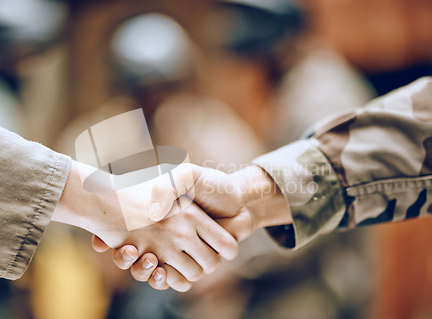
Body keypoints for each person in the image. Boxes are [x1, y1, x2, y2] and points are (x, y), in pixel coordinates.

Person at [102, 76, 432, 290]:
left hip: (319, 281)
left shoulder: (315, 95)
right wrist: (246, 200)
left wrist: (235, 260)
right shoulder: (113, 134)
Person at [0, 90, 239, 292]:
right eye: (147, 89)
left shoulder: (188, 124)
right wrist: (116, 212)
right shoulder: (102, 134)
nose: (156, 98)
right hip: (81, 260)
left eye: (165, 86)